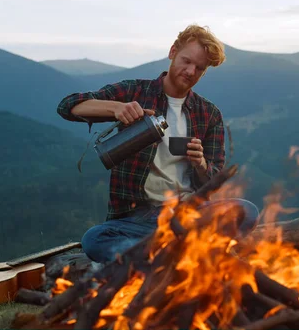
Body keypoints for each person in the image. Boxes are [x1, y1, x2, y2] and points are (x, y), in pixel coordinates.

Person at [57, 24, 260, 263]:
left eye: (199, 68)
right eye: (186, 61)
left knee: (246, 211)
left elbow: (212, 182)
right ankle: (181, 256)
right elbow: (68, 106)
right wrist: (117, 109)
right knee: (94, 239)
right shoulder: (135, 91)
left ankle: (155, 258)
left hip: (188, 215)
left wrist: (201, 164)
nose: (190, 71)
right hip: (136, 219)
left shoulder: (209, 114)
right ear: (173, 51)